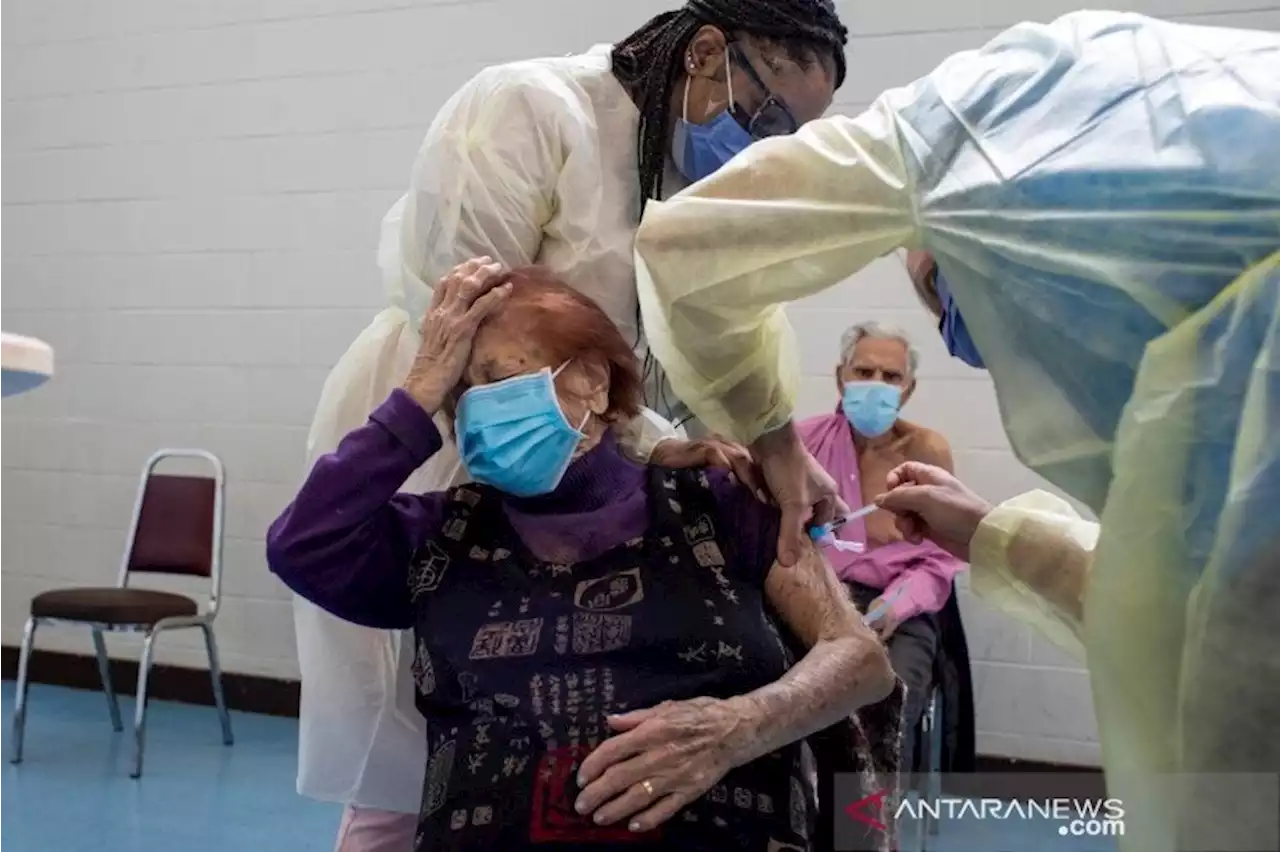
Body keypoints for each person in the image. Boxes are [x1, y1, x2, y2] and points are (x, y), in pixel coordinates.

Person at [631, 11, 1280, 850]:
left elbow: (693, 249)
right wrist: (992, 535)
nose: (965, 346)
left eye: (948, 298)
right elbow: (1179, 599)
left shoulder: (993, 126)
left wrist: (775, 444)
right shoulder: (1222, 449)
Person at [295, 1, 850, 846]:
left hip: (597, 453)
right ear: (707, 53)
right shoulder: (527, 110)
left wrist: (774, 441)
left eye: (789, 138)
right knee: (429, 738)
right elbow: (488, 329)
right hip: (462, 438)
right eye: (767, 114)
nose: (763, 148)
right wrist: (647, 436)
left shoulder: (694, 182)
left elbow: (734, 318)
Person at [269, 260, 899, 852]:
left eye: (496, 378)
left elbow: (860, 659)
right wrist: (414, 395)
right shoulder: (442, 537)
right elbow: (303, 545)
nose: (474, 410)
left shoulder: (716, 500)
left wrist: (737, 726)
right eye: (456, 396)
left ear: (592, 380)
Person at [798, 321, 964, 778]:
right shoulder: (802, 442)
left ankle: (864, 828)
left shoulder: (926, 452)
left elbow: (939, 559)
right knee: (780, 693)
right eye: (863, 371)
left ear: (908, 390)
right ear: (840, 377)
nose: (876, 386)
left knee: (886, 703)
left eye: (890, 378)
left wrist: (892, 608)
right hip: (816, 595)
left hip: (896, 607)